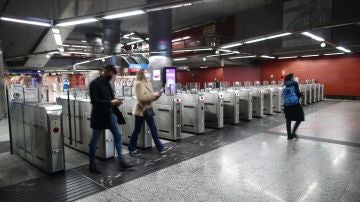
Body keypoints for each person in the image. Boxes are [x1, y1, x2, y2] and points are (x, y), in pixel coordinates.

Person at [88, 65, 134, 174]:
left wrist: (116, 100)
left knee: (118, 135)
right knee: (94, 141)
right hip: (99, 116)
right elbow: (94, 101)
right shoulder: (94, 83)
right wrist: (110, 102)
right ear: (105, 71)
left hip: (110, 115)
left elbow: (111, 98)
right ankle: (92, 164)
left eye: (113, 75)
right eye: (111, 74)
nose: (112, 76)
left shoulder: (107, 84)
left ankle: (121, 161)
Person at [128, 69, 172, 155]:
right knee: (137, 130)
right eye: (146, 73)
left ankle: (160, 147)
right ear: (142, 74)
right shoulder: (138, 84)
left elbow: (150, 97)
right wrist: (153, 95)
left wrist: (157, 95)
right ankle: (131, 148)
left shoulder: (147, 83)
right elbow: (141, 98)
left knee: (153, 129)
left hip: (147, 109)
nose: (148, 74)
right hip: (141, 110)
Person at [283, 73, 305, 140]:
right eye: (294, 76)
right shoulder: (295, 83)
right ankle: (293, 132)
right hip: (295, 104)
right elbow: (297, 93)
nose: (295, 77)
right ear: (292, 77)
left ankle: (289, 135)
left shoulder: (284, 83)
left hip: (287, 104)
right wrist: (301, 94)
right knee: (300, 117)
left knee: (288, 119)